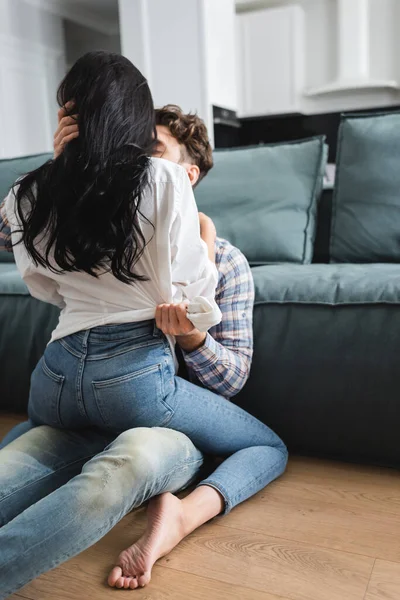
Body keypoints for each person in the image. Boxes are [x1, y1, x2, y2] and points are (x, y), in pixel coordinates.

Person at [0, 52, 288, 597]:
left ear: (189, 173)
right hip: (129, 382)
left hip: (75, 383)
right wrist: (70, 177)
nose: (127, 159)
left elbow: (231, 380)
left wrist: (194, 336)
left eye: (149, 151)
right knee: (33, 456)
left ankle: (180, 515)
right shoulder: (142, 187)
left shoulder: (227, 260)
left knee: (92, 452)